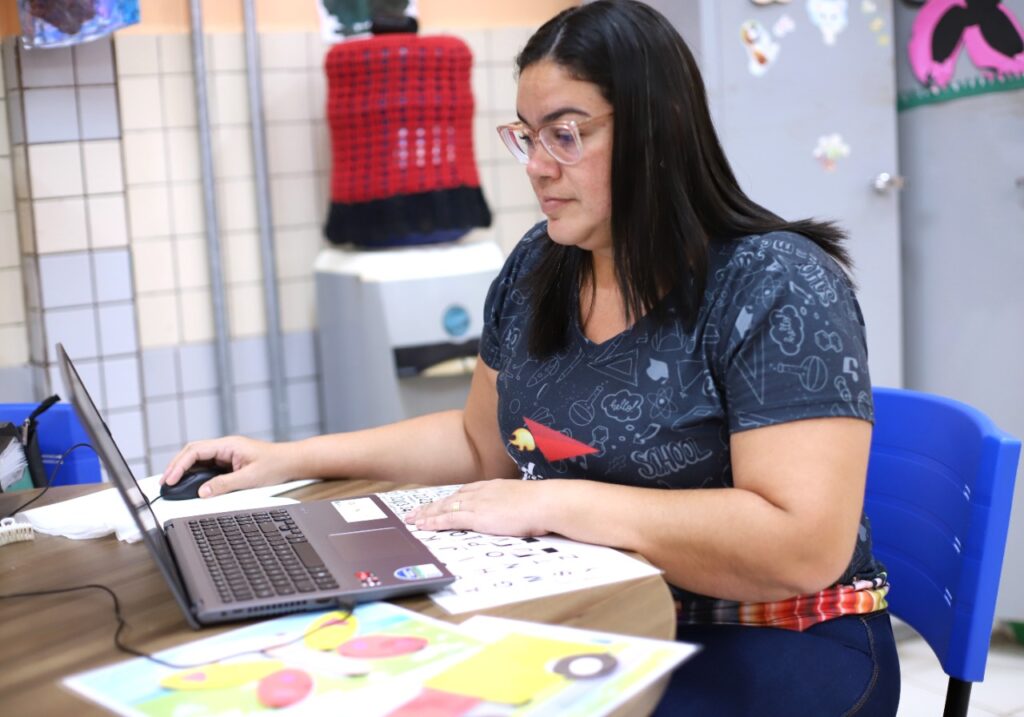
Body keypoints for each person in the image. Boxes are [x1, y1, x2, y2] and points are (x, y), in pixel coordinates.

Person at [162, 2, 900, 713]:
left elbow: (802, 546)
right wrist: (290, 458)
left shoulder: (776, 283)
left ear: (657, 131)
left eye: (567, 135)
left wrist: (553, 500)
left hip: (773, 639)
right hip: (600, 617)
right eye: (527, 136)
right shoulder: (542, 264)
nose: (538, 166)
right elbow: (479, 441)